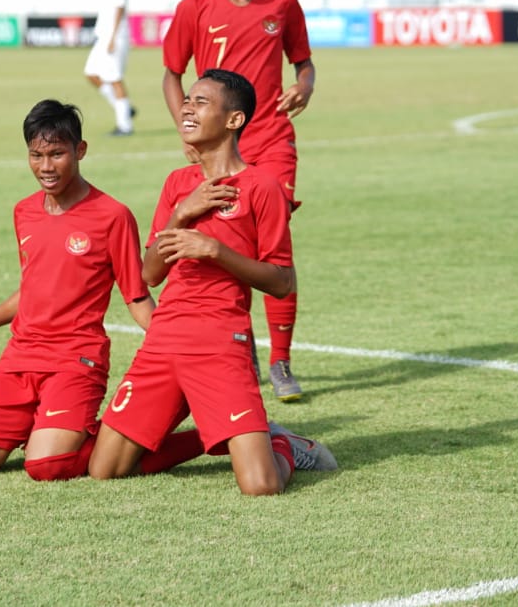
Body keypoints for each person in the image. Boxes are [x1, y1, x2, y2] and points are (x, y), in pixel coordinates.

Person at [89, 70, 336, 495]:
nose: (187, 107)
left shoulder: (262, 186)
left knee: (261, 486)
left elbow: (282, 282)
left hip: (221, 341)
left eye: (201, 102)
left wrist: (217, 252)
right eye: (187, 99)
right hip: (165, 338)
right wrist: (180, 213)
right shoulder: (177, 183)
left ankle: (284, 444)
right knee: (105, 469)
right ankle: (221, 438)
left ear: (234, 120)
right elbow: (150, 274)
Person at [0, 99, 154, 481]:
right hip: (20, 359)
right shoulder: (24, 211)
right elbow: (33, 288)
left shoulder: (113, 216)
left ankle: (106, 438)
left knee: (46, 467)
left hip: (75, 360)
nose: (46, 166)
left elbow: (136, 297)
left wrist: (175, 343)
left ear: (80, 150)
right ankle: (48, 425)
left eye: (57, 154)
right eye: (36, 155)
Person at [161, 0, 316, 402]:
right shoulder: (194, 8)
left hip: (272, 140)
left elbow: (304, 63)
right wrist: (187, 129)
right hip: (221, 146)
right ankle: (241, 344)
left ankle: (281, 362)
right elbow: (171, 73)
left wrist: (304, 88)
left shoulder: (283, 4)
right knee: (230, 239)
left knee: (274, 242)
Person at [81, 0, 135, 136]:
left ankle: (125, 125)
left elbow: (120, 7)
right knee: (91, 74)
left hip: (115, 36)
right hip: (103, 37)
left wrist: (112, 37)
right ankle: (125, 108)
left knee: (115, 79)